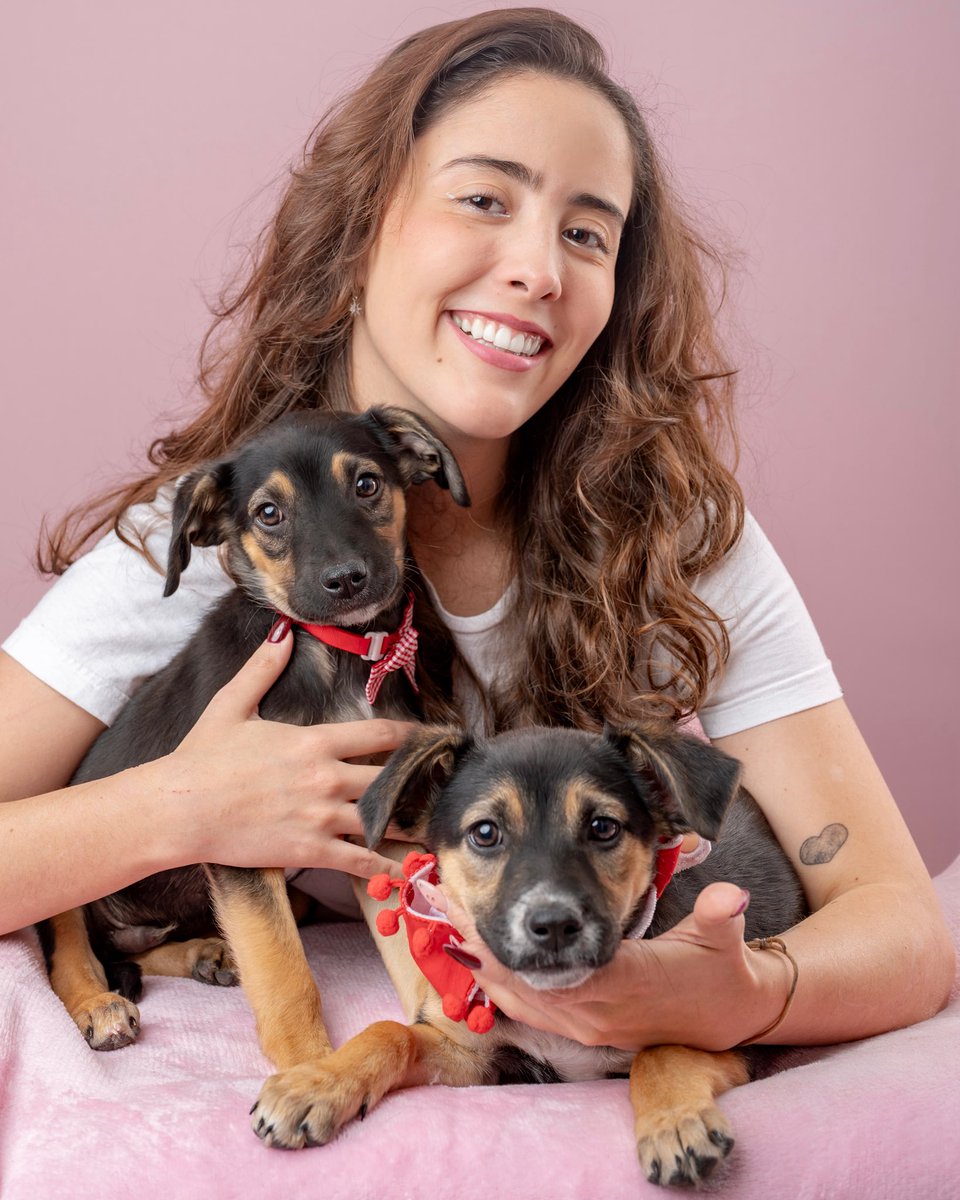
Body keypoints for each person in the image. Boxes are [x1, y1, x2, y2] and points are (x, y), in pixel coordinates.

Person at [0, 8, 952, 1056]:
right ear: (361, 225)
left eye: (587, 233)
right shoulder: (220, 541)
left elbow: (904, 929)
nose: (539, 268)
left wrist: (749, 996)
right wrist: (174, 807)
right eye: (484, 198)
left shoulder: (671, 536)